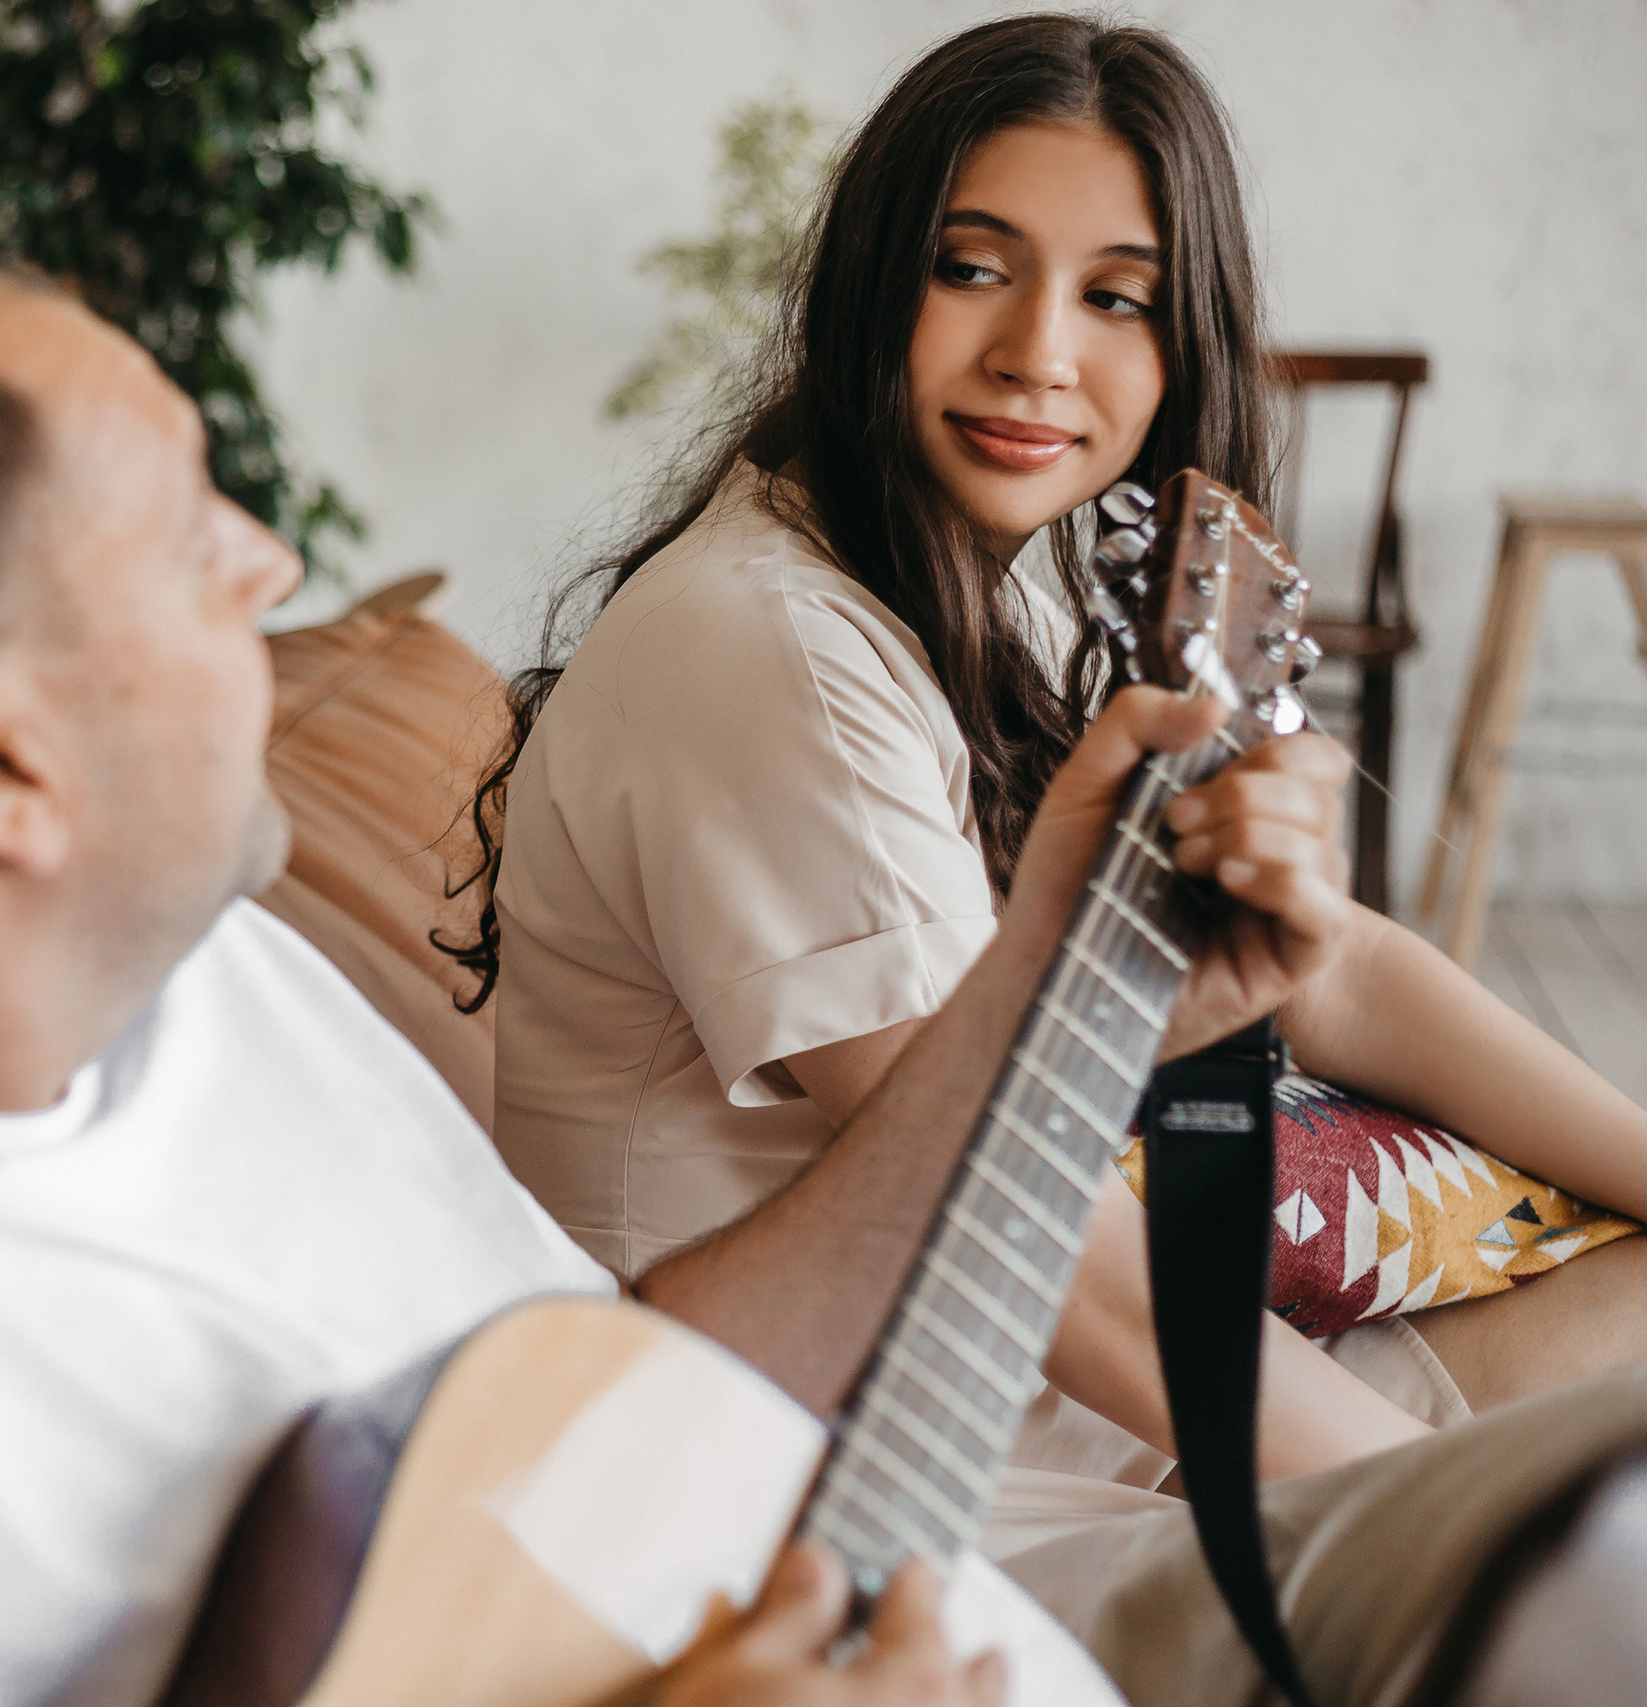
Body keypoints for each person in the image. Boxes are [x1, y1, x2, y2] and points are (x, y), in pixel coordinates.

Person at [0, 263, 1646, 1707]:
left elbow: (620, 1398)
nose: (276, 561)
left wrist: (1051, 966)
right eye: (185, 524)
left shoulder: (197, 982)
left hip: (988, 1604)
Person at [459, 14, 1647, 1555]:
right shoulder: (779, 651)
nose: (1038, 351)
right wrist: (1448, 1535)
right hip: (874, 1485)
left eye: (1118, 298)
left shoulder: (975, 577)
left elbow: (1334, 966)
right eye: (972, 266)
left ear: (1184, 343)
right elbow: (1018, 1236)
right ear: (873, 278)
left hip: (1040, 1395)